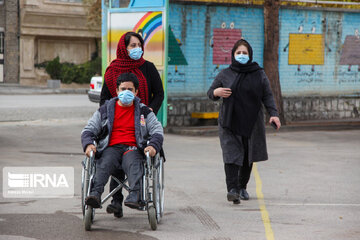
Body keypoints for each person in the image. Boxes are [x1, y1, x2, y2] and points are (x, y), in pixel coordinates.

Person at [207, 39, 281, 204]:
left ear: (250, 55)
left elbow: (267, 95)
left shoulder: (259, 74)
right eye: (238, 53)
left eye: (244, 53)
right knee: (231, 155)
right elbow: (210, 92)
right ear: (233, 55)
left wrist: (274, 114)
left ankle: (242, 187)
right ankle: (232, 189)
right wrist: (217, 92)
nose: (241, 55)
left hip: (252, 123)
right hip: (229, 122)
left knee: (248, 155)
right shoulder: (225, 74)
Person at [100, 31, 164, 217]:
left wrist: (151, 110)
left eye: (139, 45)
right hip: (118, 124)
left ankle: (137, 195)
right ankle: (116, 201)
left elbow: (159, 93)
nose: (137, 49)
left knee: (135, 156)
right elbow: (104, 98)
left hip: (142, 125)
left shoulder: (148, 68)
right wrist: (108, 115)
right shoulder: (112, 71)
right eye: (132, 46)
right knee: (115, 156)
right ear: (123, 48)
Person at [81, 72, 163, 209]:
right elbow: (88, 130)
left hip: (133, 148)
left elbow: (157, 130)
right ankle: (95, 194)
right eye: (123, 89)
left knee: (133, 163)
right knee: (104, 163)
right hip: (111, 147)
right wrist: (88, 144)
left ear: (136, 92)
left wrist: (153, 146)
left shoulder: (144, 111)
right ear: (117, 91)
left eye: (130, 89)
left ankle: (135, 195)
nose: (126, 92)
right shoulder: (105, 110)